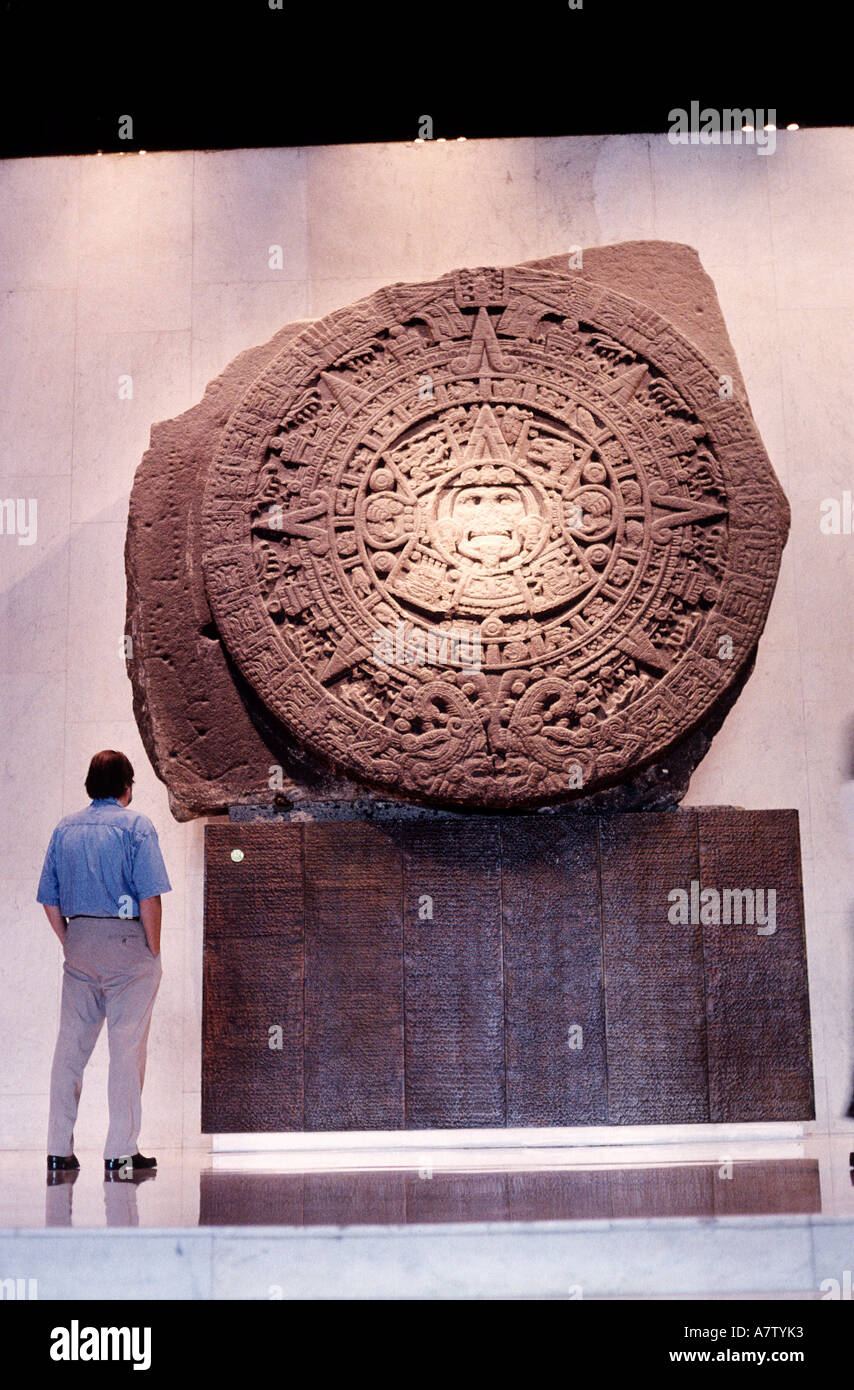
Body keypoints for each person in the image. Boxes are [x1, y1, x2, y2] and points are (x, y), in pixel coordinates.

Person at [36, 750, 172, 1173]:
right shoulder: (137, 827)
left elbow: (50, 898)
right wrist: (152, 948)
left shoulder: (64, 828)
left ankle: (58, 1149)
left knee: (70, 1049)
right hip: (127, 940)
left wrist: (70, 940)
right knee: (126, 1049)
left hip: (80, 940)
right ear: (127, 785)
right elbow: (149, 895)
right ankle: (120, 1153)